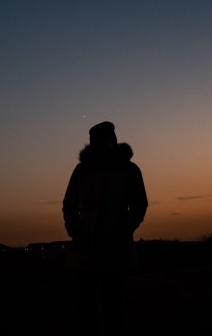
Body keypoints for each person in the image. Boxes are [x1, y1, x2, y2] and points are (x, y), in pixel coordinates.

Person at [62, 120, 149, 334]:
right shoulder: (82, 170)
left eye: (104, 138)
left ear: (112, 140)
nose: (99, 143)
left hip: (115, 245)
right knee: (84, 301)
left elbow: (139, 204)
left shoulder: (129, 170)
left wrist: (124, 229)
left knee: (112, 302)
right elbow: (69, 203)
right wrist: (75, 228)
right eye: (95, 139)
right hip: (85, 245)